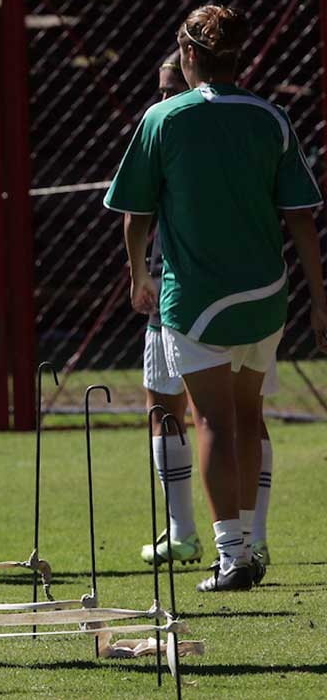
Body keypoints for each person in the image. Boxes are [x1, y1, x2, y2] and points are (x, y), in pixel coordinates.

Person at [107, 5, 325, 592]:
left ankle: (231, 556)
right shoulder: (271, 117)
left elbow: (135, 216)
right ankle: (250, 546)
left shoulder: (164, 118)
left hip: (197, 299)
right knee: (250, 419)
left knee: (212, 422)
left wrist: (137, 275)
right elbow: (301, 217)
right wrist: (320, 299)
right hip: (266, 297)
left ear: (190, 55)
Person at [138, 51, 278, 569]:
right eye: (160, 91)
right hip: (171, 288)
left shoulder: (235, 132)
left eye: (175, 86)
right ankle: (181, 532)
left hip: (235, 293)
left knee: (242, 414)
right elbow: (136, 209)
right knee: (163, 406)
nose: (168, 98)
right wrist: (142, 275)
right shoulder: (159, 130)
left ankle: (252, 536)